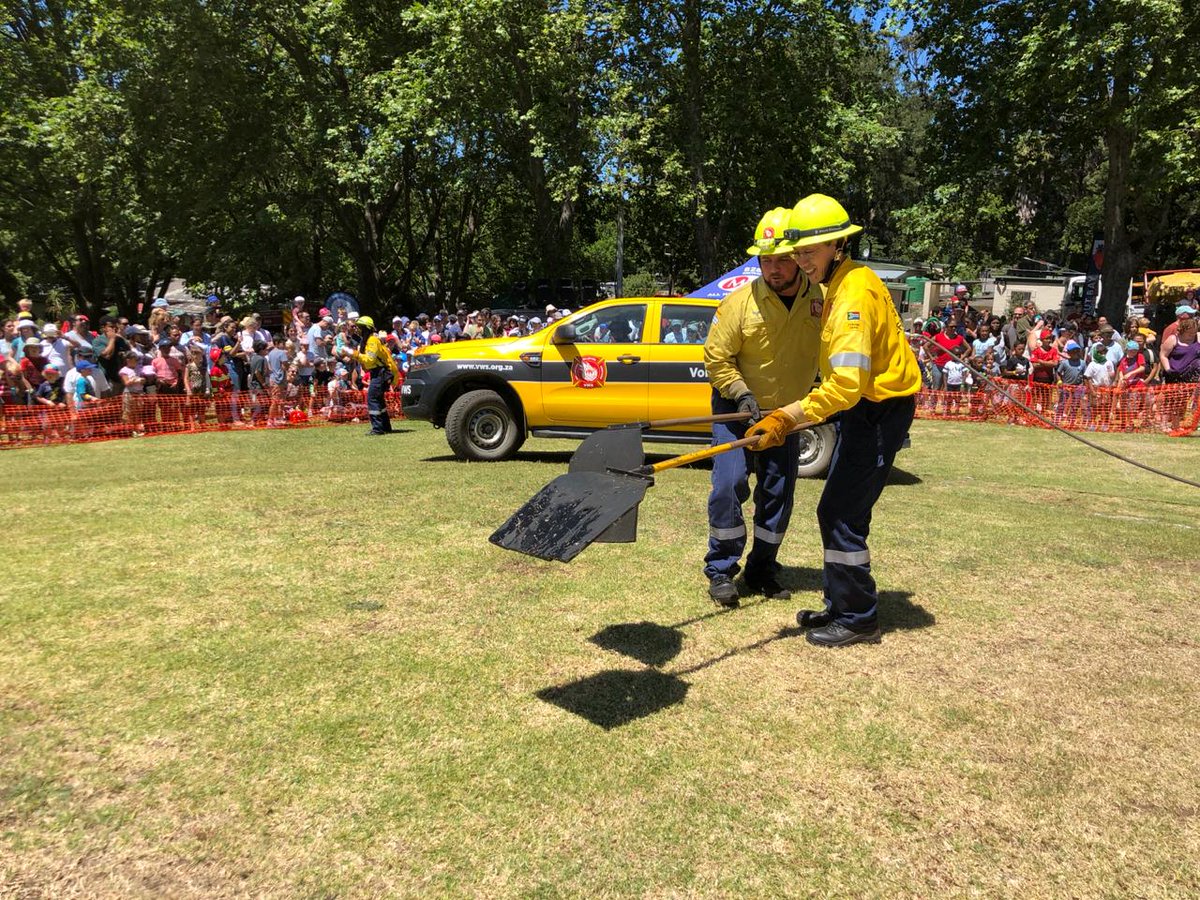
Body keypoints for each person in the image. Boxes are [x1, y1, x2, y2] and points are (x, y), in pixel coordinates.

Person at [747, 194, 920, 648]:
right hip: (866, 407)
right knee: (834, 510)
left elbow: (845, 384)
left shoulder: (850, 296)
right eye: (798, 251)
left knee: (843, 512)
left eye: (811, 250)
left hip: (879, 410)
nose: (803, 261)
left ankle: (859, 618)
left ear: (838, 245)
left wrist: (787, 416)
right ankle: (841, 604)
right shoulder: (848, 279)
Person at [701, 206, 822, 608]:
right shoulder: (739, 303)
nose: (772, 268)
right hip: (736, 412)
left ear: (800, 257)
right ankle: (721, 570)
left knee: (778, 493)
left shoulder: (821, 302)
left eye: (782, 260)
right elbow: (716, 357)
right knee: (729, 485)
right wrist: (741, 393)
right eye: (765, 260)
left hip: (784, 416)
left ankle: (762, 568)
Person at [343, 316, 400, 435]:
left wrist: (353, 353)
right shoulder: (369, 339)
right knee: (378, 400)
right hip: (378, 373)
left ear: (366, 328)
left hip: (380, 373)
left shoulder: (372, 340)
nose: (357, 330)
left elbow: (370, 360)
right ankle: (385, 426)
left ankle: (377, 429)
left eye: (359, 327)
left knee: (372, 399)